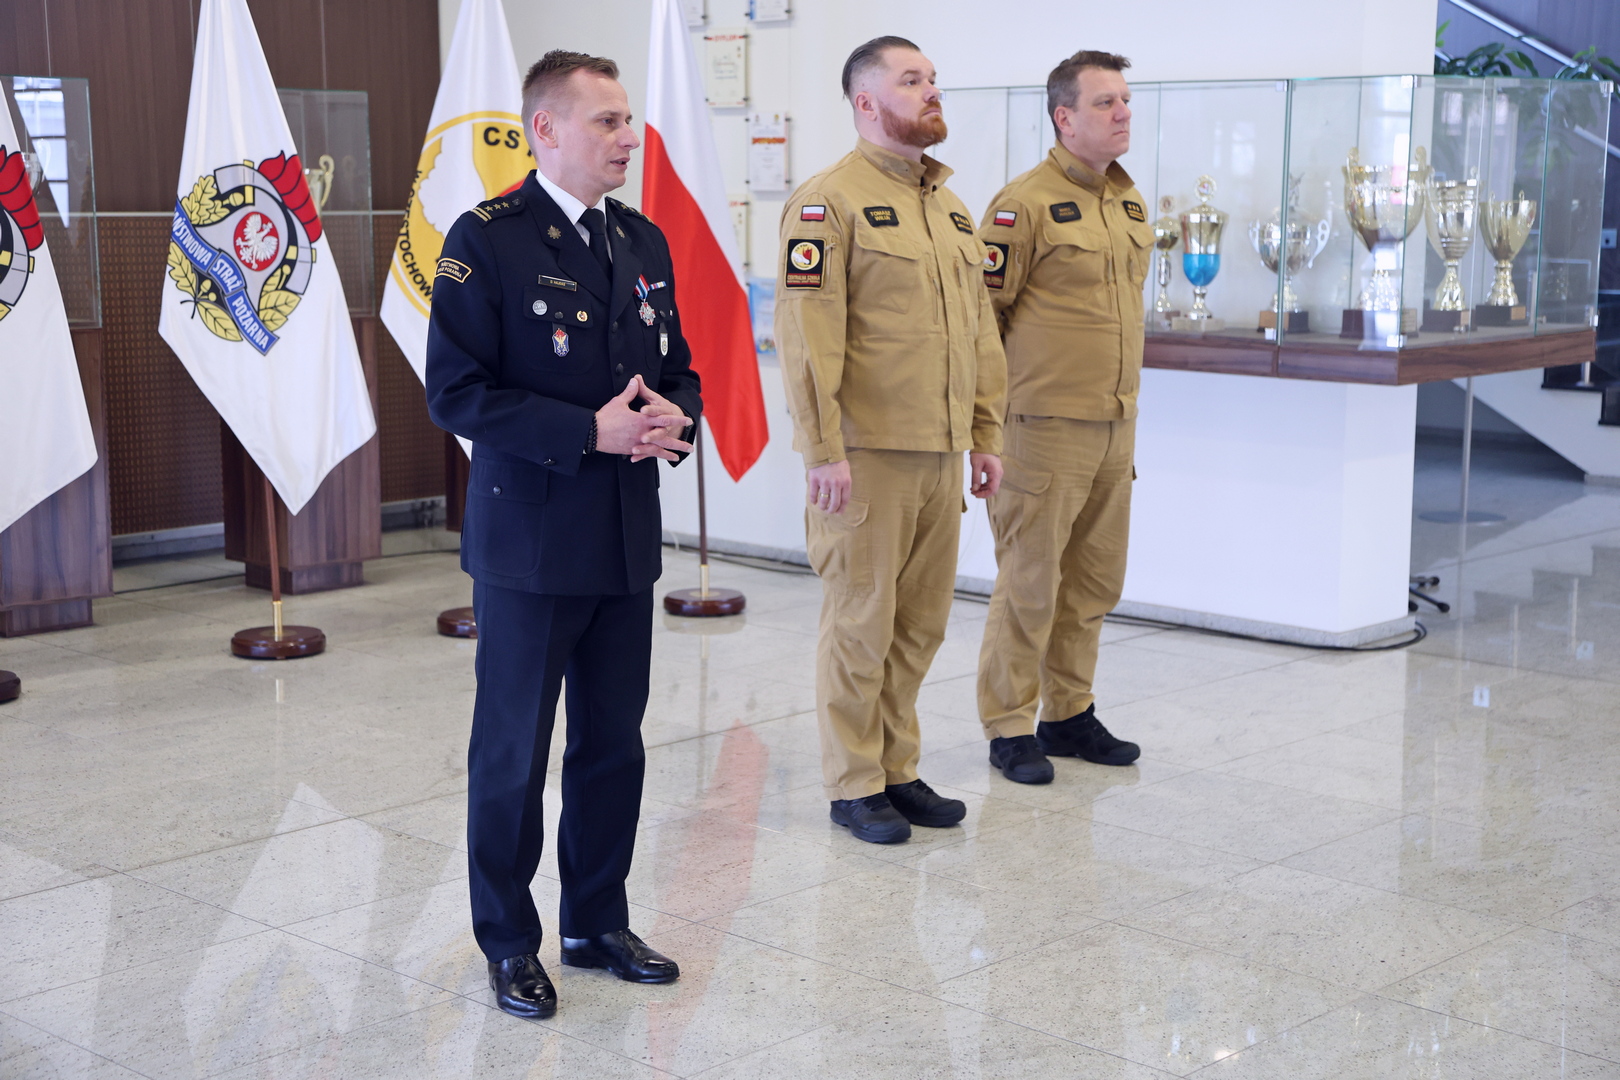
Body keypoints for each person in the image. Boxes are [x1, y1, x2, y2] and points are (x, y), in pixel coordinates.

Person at [426, 50, 702, 1019]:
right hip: (532, 546)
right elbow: (456, 394)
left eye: (628, 120)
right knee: (513, 753)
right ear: (545, 130)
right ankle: (509, 943)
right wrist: (589, 431)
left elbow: (678, 365)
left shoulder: (641, 239)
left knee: (611, 746)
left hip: (624, 537)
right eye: (607, 122)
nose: (629, 138)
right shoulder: (488, 238)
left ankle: (595, 922)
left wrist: (676, 418)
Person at [775, 36, 1006, 844]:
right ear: (867, 102)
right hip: (866, 455)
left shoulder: (951, 207)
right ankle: (853, 783)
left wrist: (984, 433)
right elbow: (808, 338)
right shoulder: (826, 203)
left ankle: (898, 769)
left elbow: (979, 333)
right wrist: (823, 450)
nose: (932, 91)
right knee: (861, 622)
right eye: (912, 81)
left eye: (933, 79)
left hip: (941, 451)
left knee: (919, 625)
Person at [975, 50, 1147, 785]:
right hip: (1040, 431)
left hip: (1114, 426)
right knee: (1030, 583)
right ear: (1064, 117)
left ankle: (1069, 713)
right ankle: (1010, 724)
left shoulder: (1129, 202)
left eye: (1126, 100)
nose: (1123, 113)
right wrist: (983, 426)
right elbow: (982, 319)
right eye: (1105, 102)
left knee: (1093, 583)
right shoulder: (1023, 205)